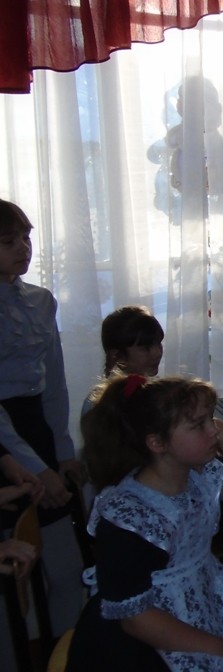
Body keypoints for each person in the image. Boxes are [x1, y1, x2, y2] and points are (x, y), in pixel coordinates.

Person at [69, 374, 223, 671]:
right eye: (198, 425)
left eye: (211, 419)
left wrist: (218, 429)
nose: (212, 430)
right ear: (157, 443)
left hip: (202, 596)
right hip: (147, 634)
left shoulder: (195, 476)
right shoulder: (130, 518)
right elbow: (134, 618)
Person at [0, 198, 85, 646]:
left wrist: (62, 453)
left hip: (37, 430)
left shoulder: (41, 300)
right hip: (4, 447)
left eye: (26, 238)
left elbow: (54, 384)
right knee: (10, 581)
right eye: (8, 241)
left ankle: (64, 656)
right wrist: (35, 467)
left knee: (67, 569)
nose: (23, 248)